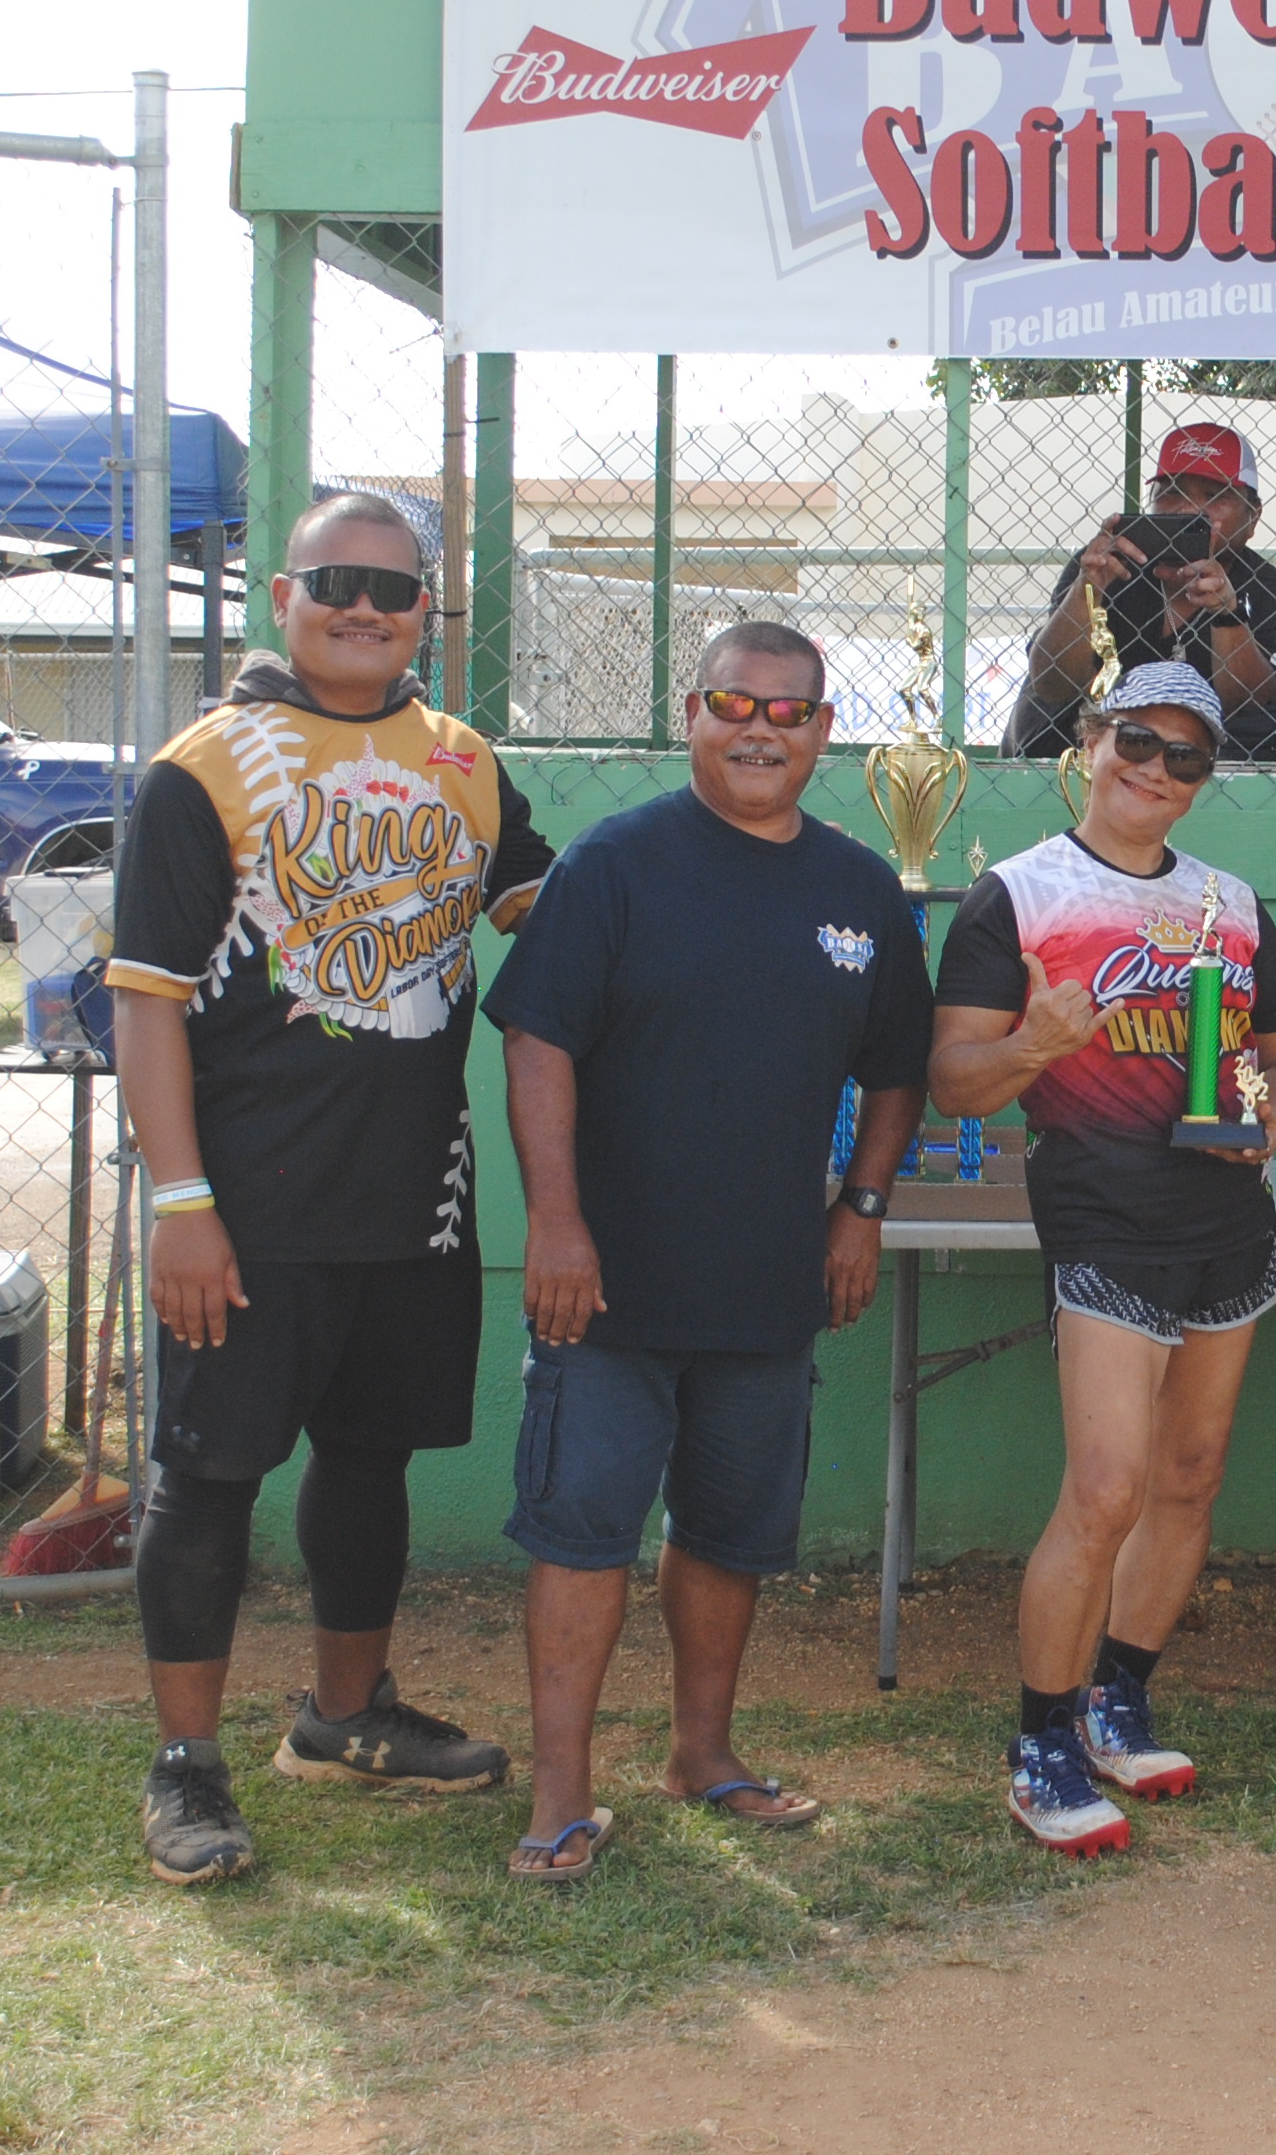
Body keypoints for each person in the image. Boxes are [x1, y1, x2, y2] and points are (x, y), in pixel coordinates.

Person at [105, 489, 555, 1888]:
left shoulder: (466, 764)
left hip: (415, 1195)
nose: (365, 609)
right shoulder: (207, 769)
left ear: (431, 612)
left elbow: (544, 916)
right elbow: (146, 1006)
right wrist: (182, 1204)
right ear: (283, 599)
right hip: (246, 1206)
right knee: (211, 1472)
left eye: (394, 589)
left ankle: (344, 1717)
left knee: (371, 1458)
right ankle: (186, 1766)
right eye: (335, 584)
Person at [486, 622, 932, 1884]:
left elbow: (896, 1068)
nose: (759, 730)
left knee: (731, 1531)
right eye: (735, 704)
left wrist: (861, 1207)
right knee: (582, 1529)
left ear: (822, 733)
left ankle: (704, 1754)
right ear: (691, 712)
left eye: (787, 713)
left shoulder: (854, 890)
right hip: (607, 1282)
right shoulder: (616, 865)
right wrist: (557, 1224)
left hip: (766, 1279)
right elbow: (536, 1044)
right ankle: (561, 1790)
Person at [928, 664, 1276, 1857]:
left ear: (1205, 781)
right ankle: (1040, 1743)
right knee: (1105, 1490)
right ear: (1090, 743)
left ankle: (1117, 1697)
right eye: (1136, 743)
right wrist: (1035, 1046)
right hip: (1102, 1225)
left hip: (1224, 1229)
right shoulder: (1016, 895)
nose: (1154, 770)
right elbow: (953, 1076)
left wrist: (1266, 1122)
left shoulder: (1229, 906)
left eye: (1185, 757)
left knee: (1189, 1479)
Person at [1006, 422, 1276, 755]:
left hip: (1202, 772)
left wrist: (1227, 614)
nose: (1190, 509)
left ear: (1253, 517)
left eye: (1215, 496)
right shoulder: (1106, 564)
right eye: (1172, 491)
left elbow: (1256, 712)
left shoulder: (1273, 592)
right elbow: (1052, 684)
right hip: (1069, 760)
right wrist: (1087, 588)